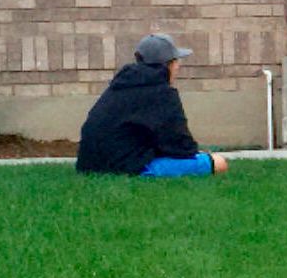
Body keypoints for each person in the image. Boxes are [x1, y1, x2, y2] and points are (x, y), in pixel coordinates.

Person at [77, 33, 230, 177]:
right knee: (218, 163)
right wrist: (202, 155)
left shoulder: (120, 86)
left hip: (90, 164)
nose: (178, 66)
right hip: (126, 166)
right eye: (176, 61)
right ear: (167, 65)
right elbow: (180, 146)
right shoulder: (162, 93)